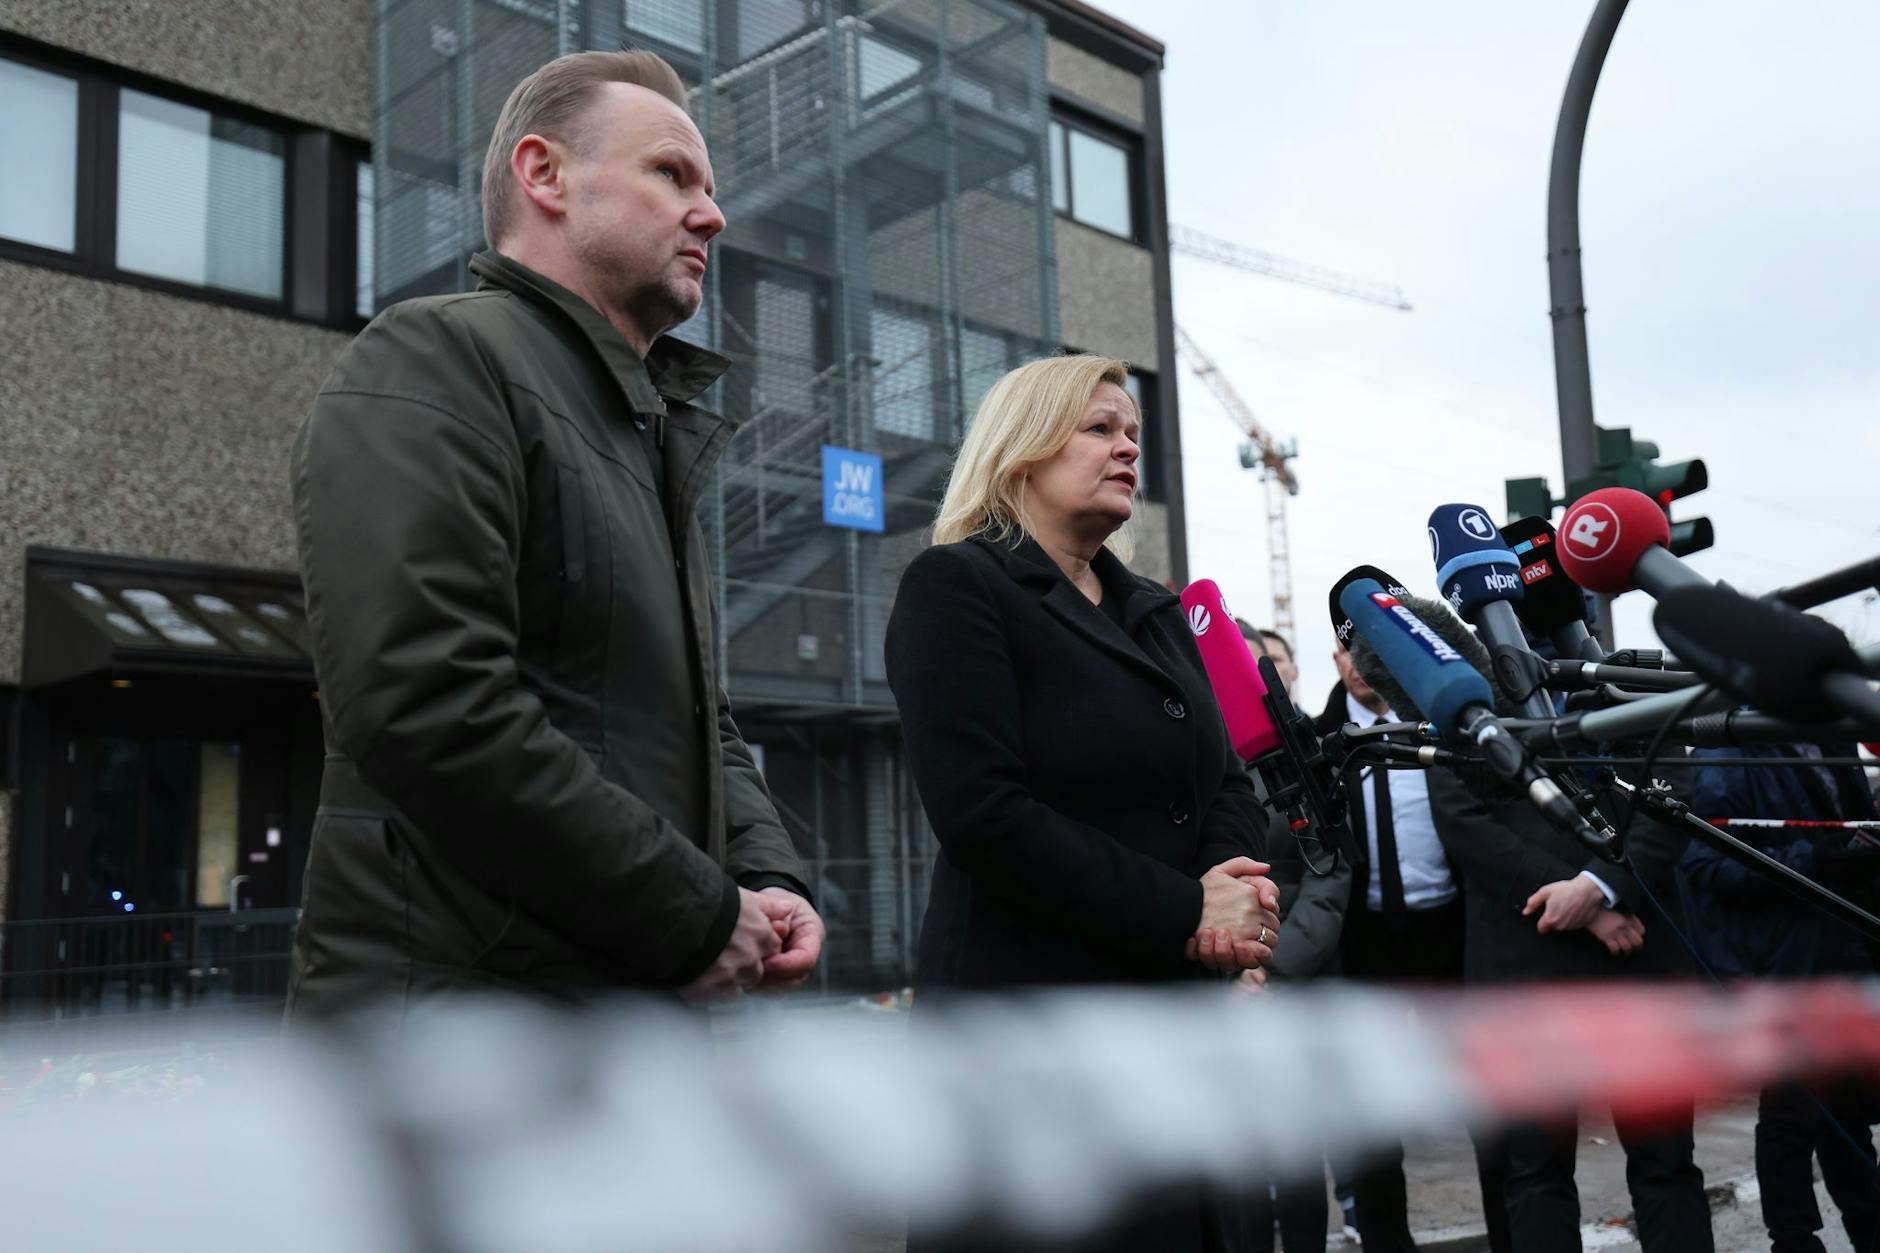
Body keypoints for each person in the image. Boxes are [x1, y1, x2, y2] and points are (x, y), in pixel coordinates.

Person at [287, 50, 820, 1018]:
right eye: (671, 174)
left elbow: (707, 721)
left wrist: (764, 875)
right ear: (544, 175)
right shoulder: (437, 355)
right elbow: (427, 698)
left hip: (614, 1021)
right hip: (467, 1040)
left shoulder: (644, 426)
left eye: (708, 186)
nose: (712, 214)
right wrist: (695, 911)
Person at [885, 353, 1280, 1253]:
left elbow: (1222, 779)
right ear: (1022, 448)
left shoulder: (1156, 609)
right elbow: (984, 814)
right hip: (1025, 1030)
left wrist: (1232, 893)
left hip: (1172, 1024)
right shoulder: (958, 586)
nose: (1127, 447)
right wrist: (1188, 909)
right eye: (1099, 427)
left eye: (1133, 432)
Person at [1343, 594, 1712, 1253]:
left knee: (1666, 1164)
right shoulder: (1454, 694)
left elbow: (1671, 790)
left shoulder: (1617, 678)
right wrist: (1584, 901)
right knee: (1535, 1173)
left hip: (1640, 960)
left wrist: (1602, 887)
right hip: (1528, 968)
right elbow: (1467, 824)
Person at [1675, 741, 1880, 1253]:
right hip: (1786, 968)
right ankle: (1794, 1242)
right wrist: (1820, 858)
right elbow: (1708, 865)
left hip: (1844, 957)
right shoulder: (1727, 752)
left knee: (1845, 1119)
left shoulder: (1831, 740)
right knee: (1792, 1116)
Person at [1239, 622, 1349, 1253]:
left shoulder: (1308, 754)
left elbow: (1329, 869)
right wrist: (1231, 969)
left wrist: (1267, 967)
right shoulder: (1197, 753)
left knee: (1298, 1156)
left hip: (1293, 984)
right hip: (1222, 987)